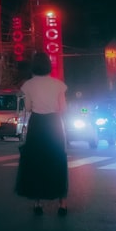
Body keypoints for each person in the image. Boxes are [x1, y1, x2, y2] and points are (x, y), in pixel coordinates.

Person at [15, 52, 69, 216]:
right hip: (53, 124)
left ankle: (38, 203)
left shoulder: (28, 86)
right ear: (48, 65)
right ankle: (62, 203)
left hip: (37, 124)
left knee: (36, 160)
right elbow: (63, 108)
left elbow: (28, 107)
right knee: (57, 159)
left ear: (33, 66)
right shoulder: (58, 85)